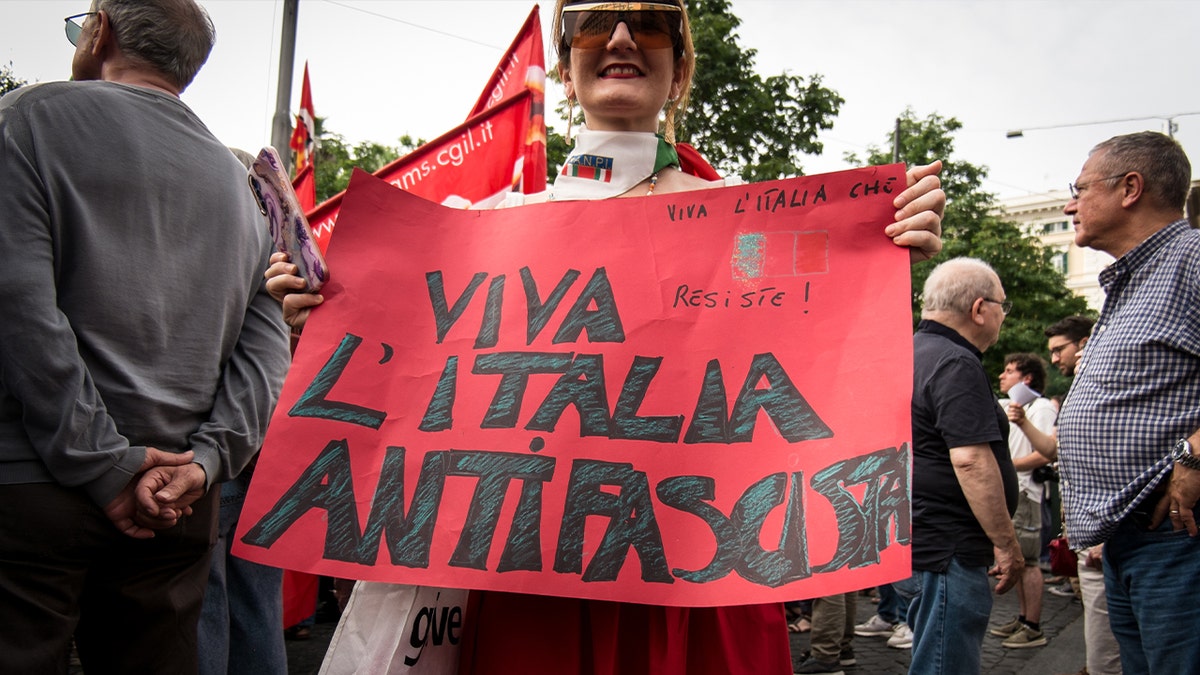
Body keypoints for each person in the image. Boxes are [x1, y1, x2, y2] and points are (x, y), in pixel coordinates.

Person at [268, 1, 946, 672]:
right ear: (566, 71)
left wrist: (878, 251)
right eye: (592, 24)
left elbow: (817, 358)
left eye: (648, 22)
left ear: (680, 70)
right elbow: (409, 388)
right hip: (530, 592)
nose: (621, 37)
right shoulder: (483, 227)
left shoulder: (753, 225)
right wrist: (325, 318)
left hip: (696, 589)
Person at [0, 2, 290, 672]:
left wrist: (103, 464)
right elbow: (265, 352)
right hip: (178, 505)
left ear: (100, 31)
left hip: (32, 491)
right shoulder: (244, 185)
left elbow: (20, 313)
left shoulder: (26, 121)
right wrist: (204, 464)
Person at [1055, 131, 1200, 675]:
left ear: (1130, 188)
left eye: (1080, 189)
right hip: (1133, 538)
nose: (1071, 205)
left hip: (1177, 538)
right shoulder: (1132, 280)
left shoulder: (1191, 259)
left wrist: (1193, 455)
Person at [196, 148, 290, 675]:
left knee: (205, 603)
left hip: (219, 452)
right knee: (257, 604)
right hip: (266, 453)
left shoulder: (214, 261)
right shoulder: (285, 257)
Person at [909, 257, 1024, 675]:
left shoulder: (910, 352)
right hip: (950, 548)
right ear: (979, 309)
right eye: (1002, 306)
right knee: (945, 664)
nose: (1002, 316)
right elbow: (971, 459)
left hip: (922, 539)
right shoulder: (956, 362)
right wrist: (1006, 544)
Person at [1010, 314, 1122, 675]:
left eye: (1060, 349)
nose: (1054, 358)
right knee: (1100, 631)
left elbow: (1113, 462)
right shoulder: (1077, 391)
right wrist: (1022, 422)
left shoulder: (1107, 386)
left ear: (1084, 344)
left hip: (1103, 530)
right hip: (1085, 528)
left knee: (1110, 639)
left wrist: (1104, 532)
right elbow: (1054, 450)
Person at [988, 353, 1055, 649]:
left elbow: (1045, 453)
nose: (1002, 375)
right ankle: (1023, 618)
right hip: (1015, 492)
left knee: (1028, 562)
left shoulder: (1041, 408)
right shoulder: (1011, 406)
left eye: (1009, 371)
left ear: (1026, 378)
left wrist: (1007, 467)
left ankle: (1033, 627)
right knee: (1019, 561)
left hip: (1027, 493)